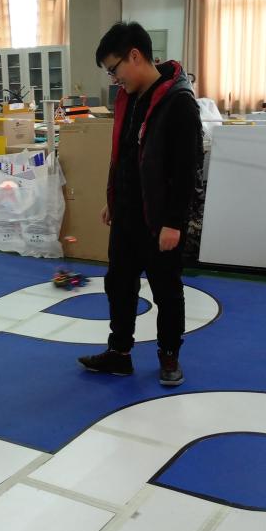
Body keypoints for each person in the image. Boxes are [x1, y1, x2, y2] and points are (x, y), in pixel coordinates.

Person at [78, 22, 203, 386]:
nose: (114, 78)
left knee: (167, 291)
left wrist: (174, 222)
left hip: (160, 221)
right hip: (127, 215)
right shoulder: (129, 98)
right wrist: (113, 199)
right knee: (119, 285)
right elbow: (125, 156)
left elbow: (187, 171)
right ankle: (119, 353)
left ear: (135, 56)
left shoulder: (178, 102)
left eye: (114, 69)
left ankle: (169, 355)